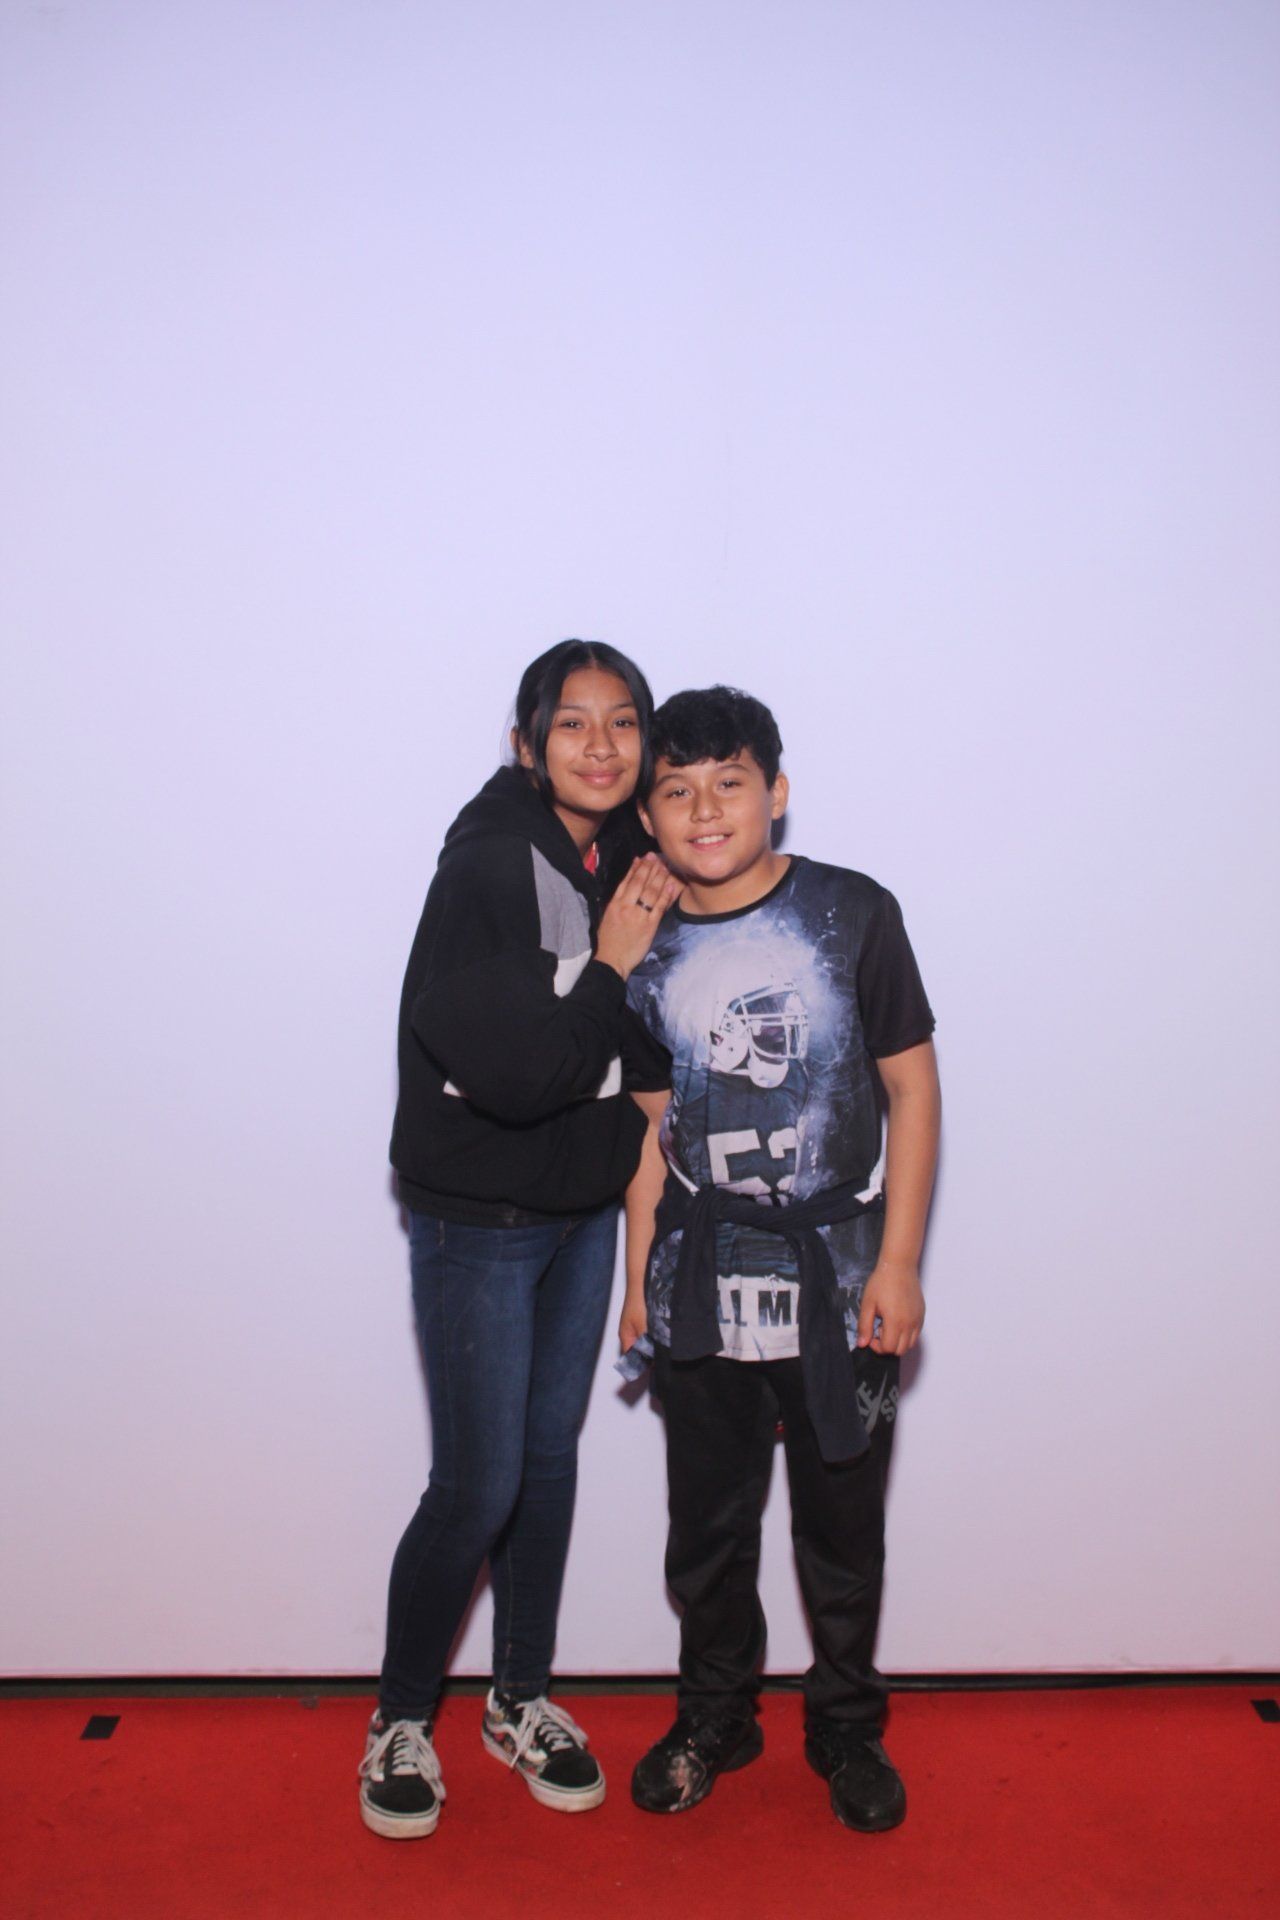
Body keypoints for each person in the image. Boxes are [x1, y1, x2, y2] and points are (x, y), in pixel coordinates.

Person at [359, 640, 681, 1840]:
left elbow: (634, 1055)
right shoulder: (493, 865)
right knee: (477, 1485)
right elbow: (519, 1074)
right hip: (480, 1226)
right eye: (572, 723)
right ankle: (399, 1717)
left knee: (546, 1466)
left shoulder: (621, 861)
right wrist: (611, 965)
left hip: (578, 1216)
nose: (600, 745)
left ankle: (519, 1699)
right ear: (526, 743)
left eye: (622, 721)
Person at [620, 685, 940, 1833]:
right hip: (699, 1279)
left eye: (729, 783)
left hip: (839, 1276)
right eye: (676, 789)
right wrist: (636, 1282)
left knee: (839, 1529)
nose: (704, 810)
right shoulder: (641, 945)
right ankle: (715, 1718)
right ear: (648, 816)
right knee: (705, 1529)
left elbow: (910, 1089)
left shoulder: (851, 913)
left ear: (776, 792)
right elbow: (648, 1135)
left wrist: (897, 1263)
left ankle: (845, 1728)